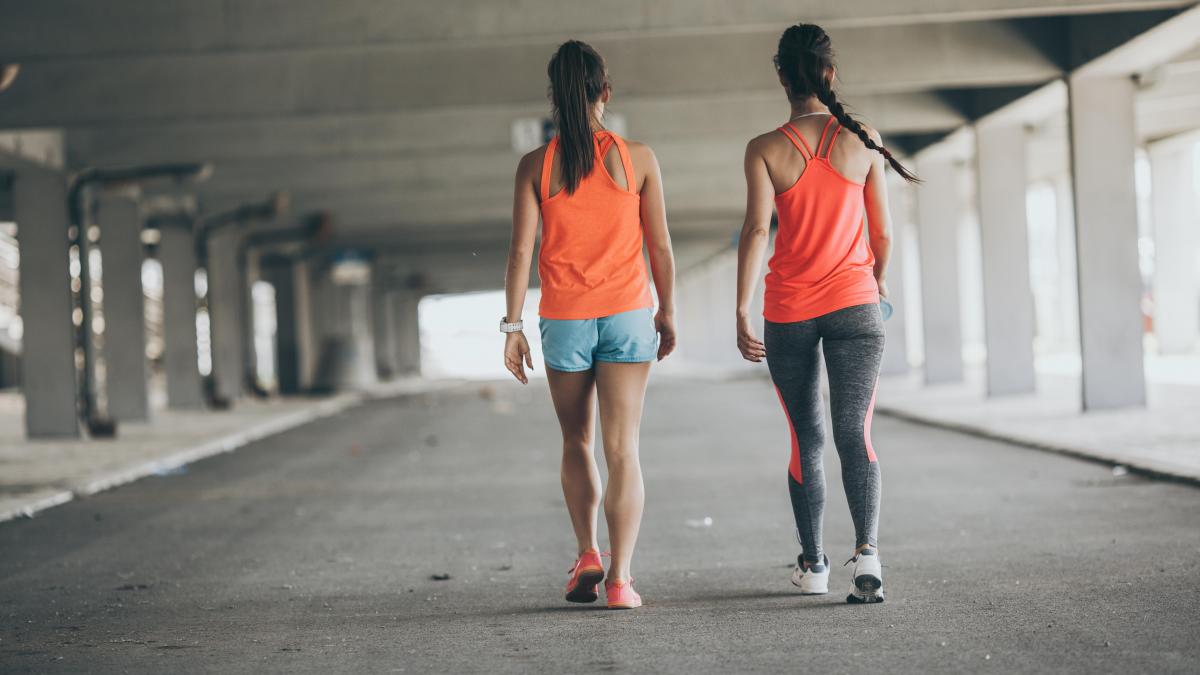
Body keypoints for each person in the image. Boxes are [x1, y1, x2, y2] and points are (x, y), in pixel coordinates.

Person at [734, 23, 919, 604]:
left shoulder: (764, 149)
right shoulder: (862, 137)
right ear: (829, 75)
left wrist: (741, 308)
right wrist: (874, 280)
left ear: (782, 79)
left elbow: (756, 230)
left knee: (805, 436)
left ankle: (813, 564)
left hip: (788, 309)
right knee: (853, 430)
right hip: (855, 305)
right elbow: (882, 232)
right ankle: (868, 554)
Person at [502, 40, 677, 610]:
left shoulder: (536, 166)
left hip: (566, 320)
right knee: (622, 448)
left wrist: (512, 327)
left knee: (576, 441)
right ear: (606, 90)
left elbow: (520, 253)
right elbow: (660, 247)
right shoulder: (638, 158)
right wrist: (666, 311)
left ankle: (588, 553)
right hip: (628, 314)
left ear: (552, 97)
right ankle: (622, 582)